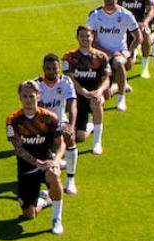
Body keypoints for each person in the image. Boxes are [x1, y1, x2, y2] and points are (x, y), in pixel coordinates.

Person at [6, 80, 65, 234]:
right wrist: (36, 163)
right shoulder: (13, 120)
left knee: (54, 175)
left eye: (31, 96)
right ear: (20, 97)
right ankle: (44, 200)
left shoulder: (50, 118)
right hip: (26, 168)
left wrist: (56, 161)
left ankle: (56, 219)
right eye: (25, 96)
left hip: (46, 164)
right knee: (28, 215)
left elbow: (61, 143)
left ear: (38, 96)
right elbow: (18, 148)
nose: (28, 100)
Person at [64, 26, 111, 155]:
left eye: (88, 35)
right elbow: (69, 79)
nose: (85, 38)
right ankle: (90, 126)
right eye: (82, 36)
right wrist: (83, 91)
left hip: (94, 94)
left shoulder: (101, 57)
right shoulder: (69, 57)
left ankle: (97, 142)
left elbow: (106, 79)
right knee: (80, 137)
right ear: (77, 37)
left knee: (96, 102)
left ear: (93, 37)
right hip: (78, 97)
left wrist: (99, 91)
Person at [37, 53, 80, 195]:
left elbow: (72, 105)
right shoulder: (36, 85)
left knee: (69, 137)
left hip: (60, 121)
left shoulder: (66, 82)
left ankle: (70, 180)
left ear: (59, 68)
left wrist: (71, 127)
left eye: (54, 68)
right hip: (41, 124)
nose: (51, 72)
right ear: (43, 68)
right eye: (48, 68)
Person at [86, 0, 140, 112]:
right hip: (100, 54)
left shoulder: (126, 14)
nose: (109, 1)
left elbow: (138, 37)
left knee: (119, 63)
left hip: (119, 53)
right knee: (106, 95)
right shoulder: (95, 15)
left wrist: (128, 52)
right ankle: (120, 84)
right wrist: (108, 54)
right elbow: (92, 42)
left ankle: (121, 99)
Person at [119, 0, 154, 77]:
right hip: (126, 27)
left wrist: (145, 22)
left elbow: (151, 10)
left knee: (146, 34)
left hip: (139, 25)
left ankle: (145, 65)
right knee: (128, 66)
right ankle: (136, 49)